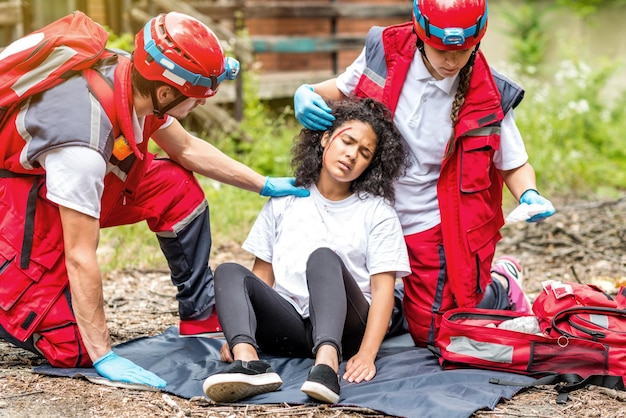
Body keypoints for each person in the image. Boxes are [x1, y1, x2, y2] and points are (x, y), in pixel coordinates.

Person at [0, 12, 308, 389]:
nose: (198, 107)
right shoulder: (81, 143)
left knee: (174, 185)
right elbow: (80, 256)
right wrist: (103, 355)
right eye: (195, 99)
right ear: (166, 93)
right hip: (22, 212)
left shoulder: (131, 80)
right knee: (73, 348)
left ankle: (199, 312)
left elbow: (187, 148)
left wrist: (263, 183)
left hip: (63, 190)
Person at [292, 0, 556, 347]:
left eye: (462, 51)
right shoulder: (386, 52)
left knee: (433, 333)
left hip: (431, 222)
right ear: (421, 34)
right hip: (368, 210)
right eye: (441, 50)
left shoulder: (489, 93)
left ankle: (501, 284)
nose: (451, 61)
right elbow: (341, 89)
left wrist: (529, 194)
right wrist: (306, 92)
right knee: (345, 310)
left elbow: (513, 162)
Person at [202, 97, 410, 404]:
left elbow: (383, 292)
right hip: (291, 329)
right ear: (326, 138)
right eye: (347, 141)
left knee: (322, 257)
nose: (352, 154)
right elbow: (261, 277)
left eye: (364, 152)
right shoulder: (285, 201)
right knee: (230, 271)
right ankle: (247, 363)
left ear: (371, 164)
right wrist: (239, 333)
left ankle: (325, 367)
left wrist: (367, 354)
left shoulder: (377, 212)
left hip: (345, 330)